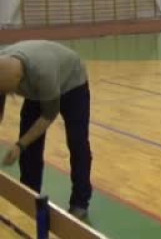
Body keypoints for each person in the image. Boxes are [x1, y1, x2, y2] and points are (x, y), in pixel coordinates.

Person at [0, 40, 92, 220]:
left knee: (77, 143)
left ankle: (80, 202)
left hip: (72, 85)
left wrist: (19, 145)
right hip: (36, 87)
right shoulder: (3, 64)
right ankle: (29, 195)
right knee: (29, 148)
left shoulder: (43, 74)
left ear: (19, 81)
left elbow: (48, 116)